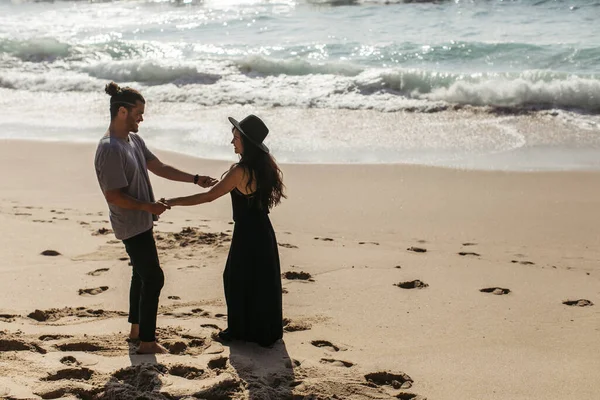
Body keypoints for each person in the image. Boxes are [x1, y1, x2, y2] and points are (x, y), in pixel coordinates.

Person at [94, 82, 217, 354]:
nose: (142, 118)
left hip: (142, 219)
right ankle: (147, 342)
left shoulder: (132, 140)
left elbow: (158, 166)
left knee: (141, 274)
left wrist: (194, 179)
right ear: (123, 111)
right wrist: (148, 207)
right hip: (130, 224)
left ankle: (136, 330)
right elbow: (113, 195)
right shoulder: (110, 148)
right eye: (139, 112)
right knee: (154, 278)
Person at [164, 114, 286, 347]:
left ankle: (238, 331)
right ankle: (264, 331)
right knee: (261, 281)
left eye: (236, 138)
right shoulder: (263, 166)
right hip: (264, 231)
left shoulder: (239, 170)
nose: (232, 142)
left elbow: (208, 197)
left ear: (247, 142)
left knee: (236, 279)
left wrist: (173, 201)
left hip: (247, 233)